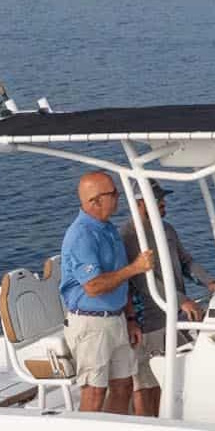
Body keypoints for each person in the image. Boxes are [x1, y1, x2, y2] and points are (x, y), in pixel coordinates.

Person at [59, 171, 156, 413]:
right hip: (92, 324)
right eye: (113, 193)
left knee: (123, 386)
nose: (118, 197)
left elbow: (119, 279)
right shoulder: (82, 235)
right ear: (95, 201)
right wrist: (135, 268)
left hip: (116, 319)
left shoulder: (108, 229)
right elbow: (93, 286)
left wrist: (130, 318)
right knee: (94, 392)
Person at [122, 181, 215, 417]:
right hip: (149, 321)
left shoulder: (167, 230)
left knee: (174, 376)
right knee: (146, 383)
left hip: (173, 316)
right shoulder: (128, 237)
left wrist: (210, 282)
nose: (163, 203)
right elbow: (143, 282)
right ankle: (147, 426)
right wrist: (181, 300)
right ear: (139, 204)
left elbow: (186, 261)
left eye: (161, 198)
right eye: (157, 200)